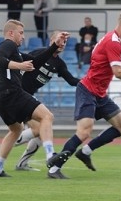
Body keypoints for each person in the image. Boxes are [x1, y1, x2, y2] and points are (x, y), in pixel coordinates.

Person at [46, 10, 121, 178]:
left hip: (99, 94)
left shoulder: (110, 39)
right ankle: (54, 169)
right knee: (84, 132)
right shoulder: (113, 42)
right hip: (88, 91)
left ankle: (86, 152)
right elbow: (118, 72)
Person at [0, 21, 68, 177]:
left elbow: (35, 61)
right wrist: (20, 66)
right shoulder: (8, 45)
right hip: (10, 92)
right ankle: (51, 156)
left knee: (16, 130)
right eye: (21, 32)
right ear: (11, 33)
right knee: (47, 116)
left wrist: (53, 47)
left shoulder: (14, 52)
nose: (23, 37)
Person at [12, 30, 82, 171]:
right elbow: (19, 65)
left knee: (40, 132)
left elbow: (72, 80)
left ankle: (21, 164)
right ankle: (7, 144)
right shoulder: (39, 53)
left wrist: (89, 81)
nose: (62, 44)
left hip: (29, 97)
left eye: (65, 42)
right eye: (59, 40)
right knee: (41, 127)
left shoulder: (60, 64)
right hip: (20, 95)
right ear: (51, 40)